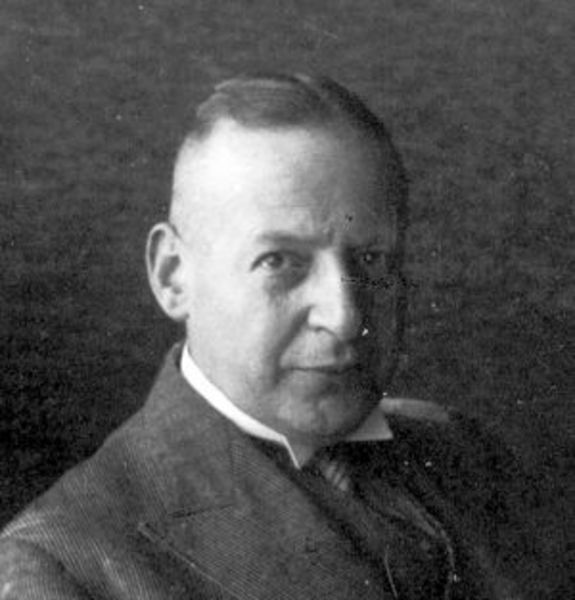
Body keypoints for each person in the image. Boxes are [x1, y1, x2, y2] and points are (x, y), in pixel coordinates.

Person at [0, 74, 537, 599]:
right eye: (279, 261)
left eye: (372, 259)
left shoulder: (467, 456)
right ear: (173, 277)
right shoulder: (58, 568)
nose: (345, 317)